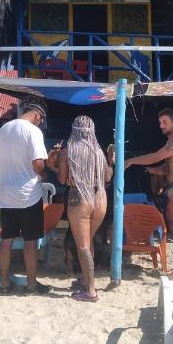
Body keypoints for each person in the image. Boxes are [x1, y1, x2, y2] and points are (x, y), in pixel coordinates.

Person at [124, 108, 173, 279]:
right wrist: (153, 170)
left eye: (164, 122)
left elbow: (156, 156)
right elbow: (166, 168)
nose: (161, 125)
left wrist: (132, 161)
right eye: (160, 122)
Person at [48, 115, 113, 303]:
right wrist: (111, 161)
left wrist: (53, 165)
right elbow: (107, 177)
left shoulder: (71, 150)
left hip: (80, 197)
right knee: (88, 242)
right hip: (100, 198)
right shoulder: (98, 151)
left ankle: (91, 291)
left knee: (82, 246)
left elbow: (62, 179)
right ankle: (86, 280)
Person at [0, 98, 52, 296]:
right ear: (37, 114)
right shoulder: (33, 131)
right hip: (29, 195)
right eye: (41, 119)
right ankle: (31, 285)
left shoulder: (3, 130)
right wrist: (44, 172)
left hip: (6, 195)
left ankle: (3, 284)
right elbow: (37, 163)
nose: (40, 123)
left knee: (6, 239)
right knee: (30, 241)